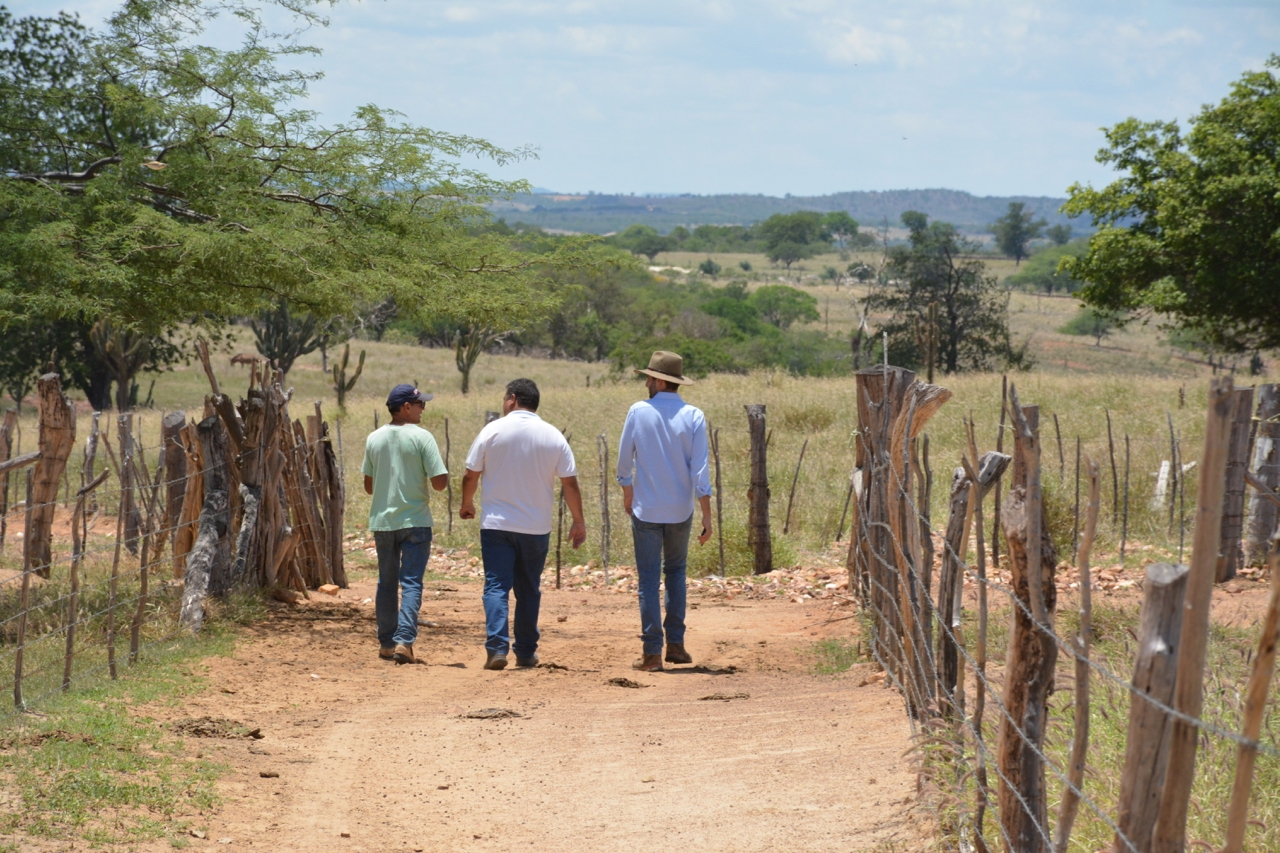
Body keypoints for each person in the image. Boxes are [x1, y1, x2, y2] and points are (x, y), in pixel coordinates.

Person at [460, 378, 586, 671]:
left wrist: (467, 503)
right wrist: (578, 521)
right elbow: (570, 483)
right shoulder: (553, 436)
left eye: (505, 398)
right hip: (535, 527)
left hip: (497, 525)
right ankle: (526, 653)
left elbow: (470, 475)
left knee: (496, 587)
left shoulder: (492, 430)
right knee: (529, 589)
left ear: (512, 398)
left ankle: (497, 648)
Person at [616, 351, 713, 672]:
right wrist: (707, 516)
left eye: (648, 377)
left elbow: (623, 463)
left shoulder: (638, 411)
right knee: (675, 574)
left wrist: (628, 494)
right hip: (680, 511)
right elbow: (700, 472)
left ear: (659, 380)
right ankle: (677, 645)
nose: (646, 382)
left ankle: (652, 653)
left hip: (646, 509)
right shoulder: (694, 415)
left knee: (647, 580)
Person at [361, 384, 449, 664]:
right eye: (420, 404)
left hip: (384, 522)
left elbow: (368, 486)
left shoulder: (374, 438)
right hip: (416, 521)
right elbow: (439, 483)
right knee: (411, 583)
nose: (424, 409)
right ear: (406, 407)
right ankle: (404, 641)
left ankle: (387, 643)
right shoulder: (423, 437)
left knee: (386, 583)